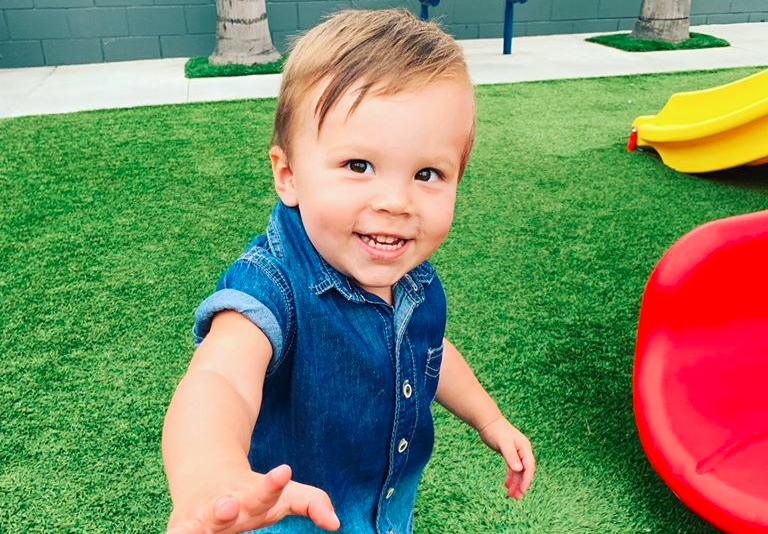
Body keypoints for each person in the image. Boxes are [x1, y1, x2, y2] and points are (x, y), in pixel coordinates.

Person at [162, 8, 535, 534]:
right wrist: (208, 474)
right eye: (359, 166)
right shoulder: (274, 286)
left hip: (383, 511)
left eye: (427, 173)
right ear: (288, 176)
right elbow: (220, 377)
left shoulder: (412, 278)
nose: (396, 201)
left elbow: (429, 350)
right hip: (286, 518)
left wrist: (489, 418)